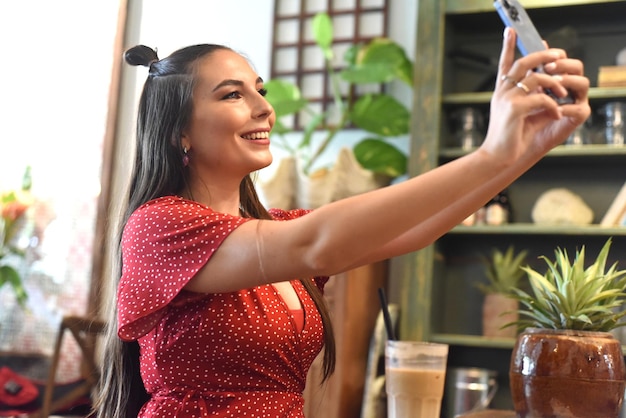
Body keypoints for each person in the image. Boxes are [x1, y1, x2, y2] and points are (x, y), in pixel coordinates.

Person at [94, 26, 590, 417]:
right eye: (232, 95)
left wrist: (525, 151)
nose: (264, 108)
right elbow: (316, 246)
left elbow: (414, 229)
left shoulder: (276, 227)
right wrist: (489, 154)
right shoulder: (159, 227)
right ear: (179, 131)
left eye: (260, 91)